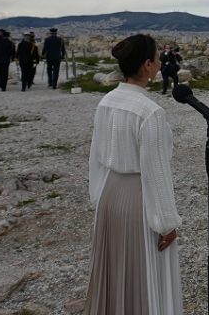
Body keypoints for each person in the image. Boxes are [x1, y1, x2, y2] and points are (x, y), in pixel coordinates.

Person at [84, 34, 182, 314]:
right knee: (145, 271)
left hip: (109, 193)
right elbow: (156, 171)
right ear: (148, 65)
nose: (162, 63)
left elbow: (97, 156)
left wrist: (98, 195)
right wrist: (166, 222)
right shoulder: (150, 112)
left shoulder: (107, 101)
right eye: (158, 59)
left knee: (115, 268)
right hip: (139, 197)